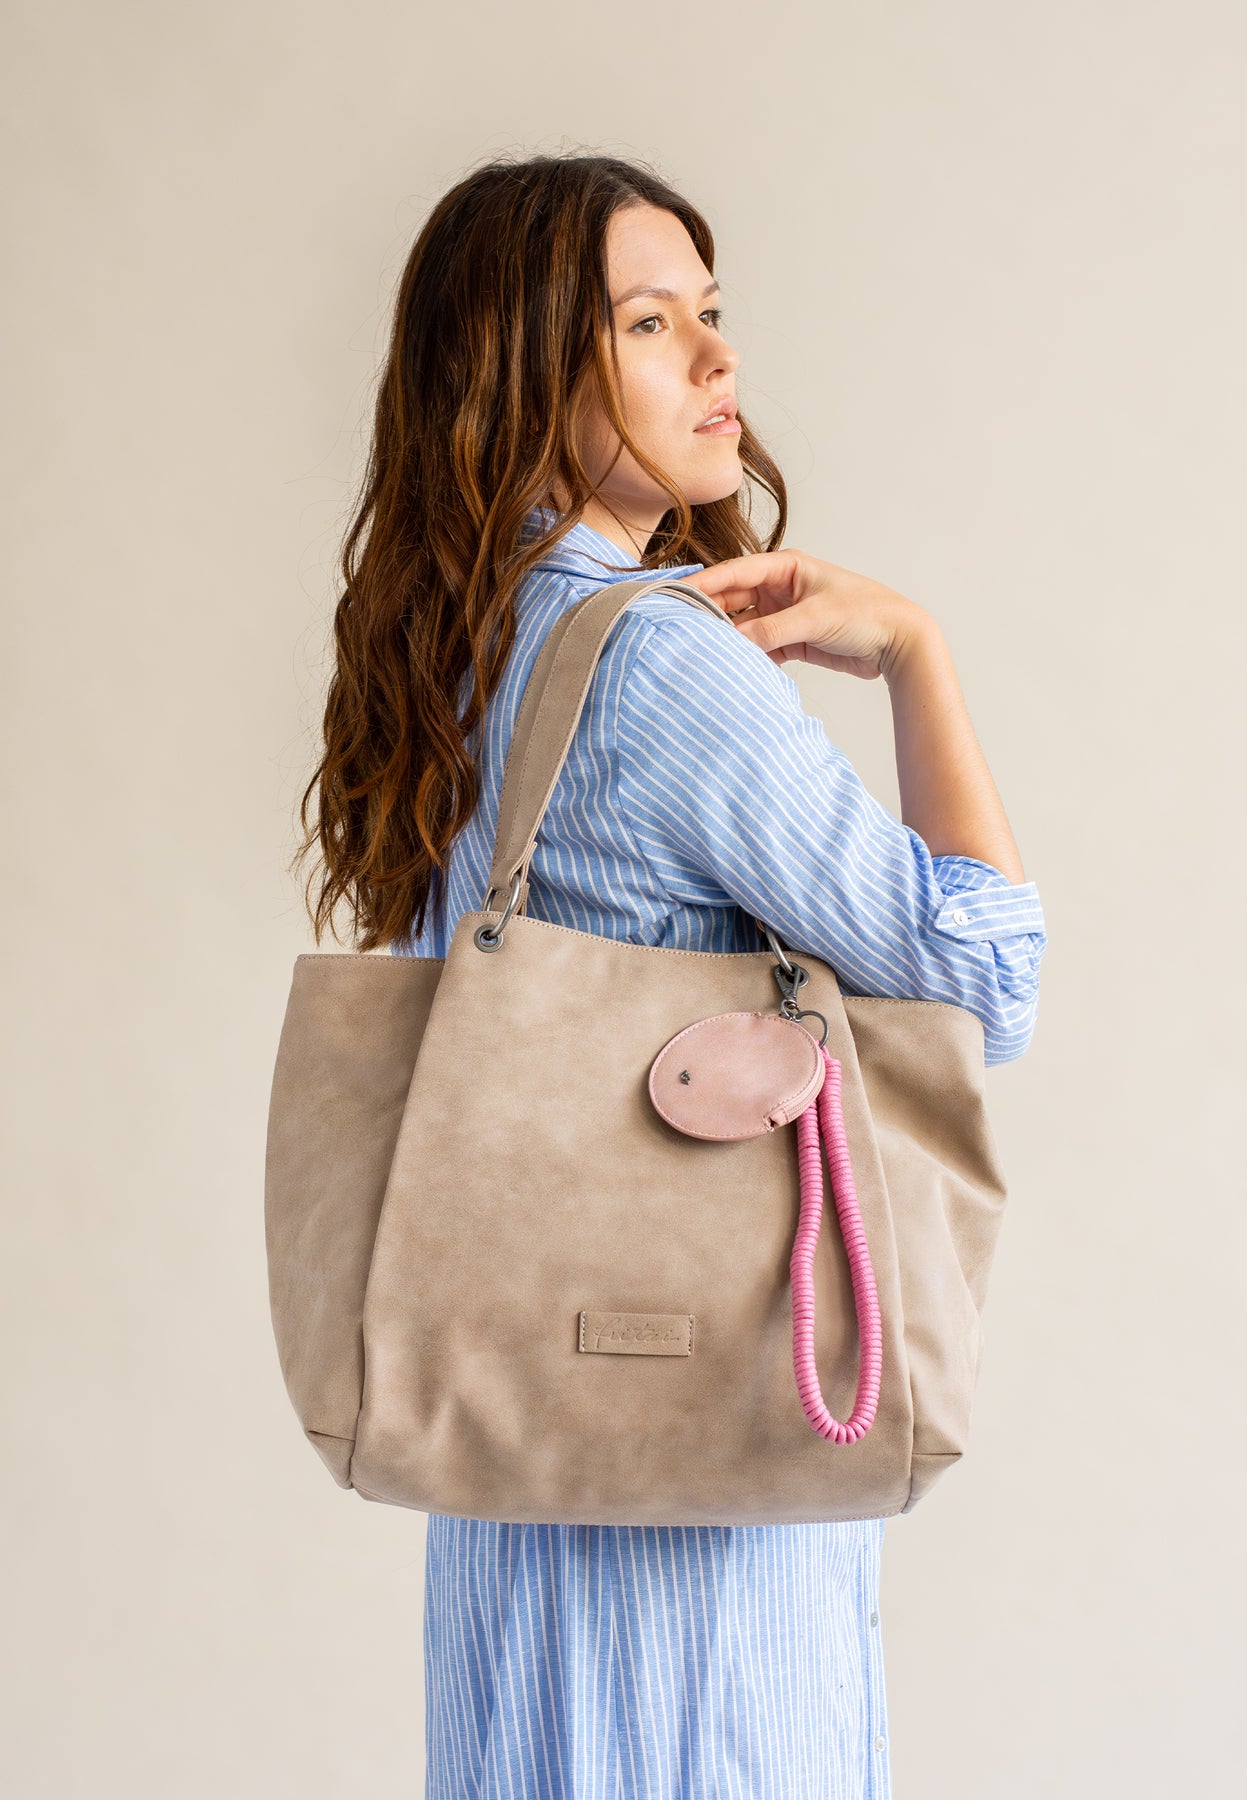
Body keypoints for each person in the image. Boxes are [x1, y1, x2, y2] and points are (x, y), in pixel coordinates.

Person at [296, 153, 1047, 1799]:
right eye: (650, 323)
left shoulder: (453, 655)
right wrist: (917, 653)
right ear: (521, 369)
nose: (718, 357)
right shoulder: (655, 659)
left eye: (711, 311)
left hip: (512, 1488)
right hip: (696, 1507)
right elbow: (981, 980)